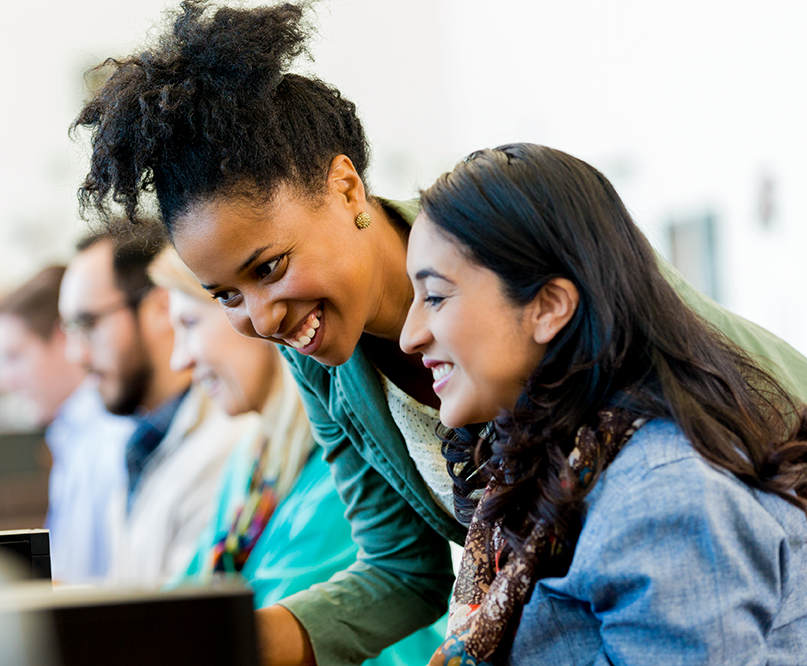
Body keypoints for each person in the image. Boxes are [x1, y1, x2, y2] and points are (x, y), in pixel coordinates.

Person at [70, 2, 807, 663]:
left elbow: (713, 405)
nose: (260, 320)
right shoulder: (326, 362)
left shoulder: (520, 242)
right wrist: (237, 642)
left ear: (347, 188)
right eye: (225, 294)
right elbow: (404, 569)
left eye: (270, 267)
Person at [399, 143, 807, 665]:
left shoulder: (664, 495)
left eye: (434, 297)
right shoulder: (563, 465)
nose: (411, 335)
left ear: (548, 307)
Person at [150, 246, 444, 666]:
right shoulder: (252, 465)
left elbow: (256, 626)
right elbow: (183, 603)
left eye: (191, 323)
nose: (180, 357)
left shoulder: (341, 473)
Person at [58, 223, 249, 587]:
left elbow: (178, 620)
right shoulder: (142, 442)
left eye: (88, 324)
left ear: (160, 307)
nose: (76, 354)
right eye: (70, 329)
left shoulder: (227, 444)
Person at [0, 266, 135, 582]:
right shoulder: (72, 436)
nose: (4, 380)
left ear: (61, 338)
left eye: (14, 356)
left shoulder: (109, 439)